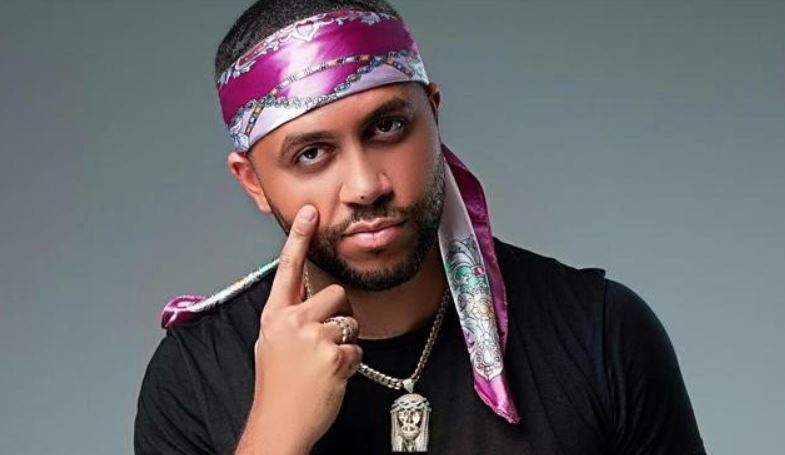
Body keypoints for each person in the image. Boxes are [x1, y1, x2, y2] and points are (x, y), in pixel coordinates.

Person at [134, 1, 707, 454]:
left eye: (387, 127)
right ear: (254, 182)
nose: (365, 186)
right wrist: (274, 433)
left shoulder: (600, 333)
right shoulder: (194, 377)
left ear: (433, 114)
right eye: (311, 154)